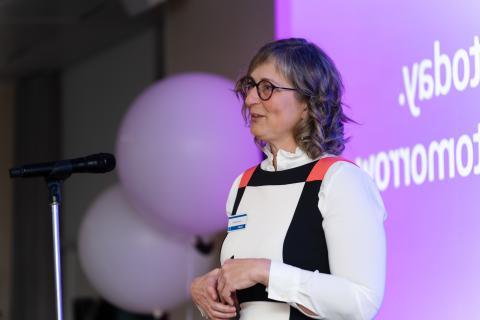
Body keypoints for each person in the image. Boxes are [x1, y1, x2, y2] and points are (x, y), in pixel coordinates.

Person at [190, 38, 387, 320]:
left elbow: (361, 301)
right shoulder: (243, 185)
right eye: (250, 86)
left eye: (267, 88)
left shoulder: (340, 180)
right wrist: (209, 289)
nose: (250, 99)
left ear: (307, 101)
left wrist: (265, 271)